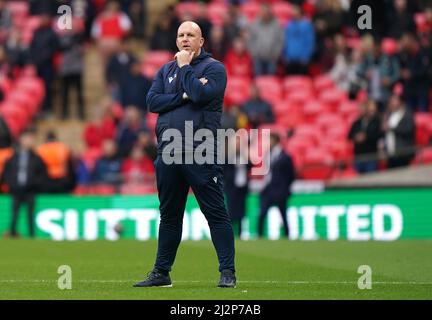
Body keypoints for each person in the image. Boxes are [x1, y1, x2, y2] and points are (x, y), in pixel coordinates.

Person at [134, 21, 236, 288]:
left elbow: (201, 94)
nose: (185, 39)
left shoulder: (214, 68)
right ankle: (161, 273)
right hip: (168, 151)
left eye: (191, 35)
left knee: (215, 213)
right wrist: (183, 95)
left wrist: (184, 68)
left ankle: (227, 272)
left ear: (201, 41)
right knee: (169, 215)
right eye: (180, 35)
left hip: (200, 150)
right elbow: (152, 102)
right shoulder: (165, 69)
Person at [2, 129, 47, 238]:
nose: (29, 141)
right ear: (21, 140)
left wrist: (35, 184)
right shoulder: (13, 157)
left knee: (30, 215)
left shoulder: (36, 158)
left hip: (30, 191)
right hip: (16, 190)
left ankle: (32, 236)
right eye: (27, 138)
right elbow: (6, 173)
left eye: (31, 139)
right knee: (14, 214)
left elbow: (42, 174)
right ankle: (12, 233)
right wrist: (11, 184)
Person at [258, 133, 295, 239]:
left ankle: (288, 236)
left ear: (275, 141)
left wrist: (285, 188)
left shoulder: (285, 157)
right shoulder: (267, 155)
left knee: (283, 215)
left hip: (280, 191)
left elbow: (291, 175)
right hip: (268, 190)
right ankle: (259, 236)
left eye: (270, 140)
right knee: (262, 213)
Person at [247, 4, 283, 76]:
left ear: (269, 13)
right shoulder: (255, 23)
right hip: (258, 57)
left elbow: (280, 40)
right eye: (262, 12)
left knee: (270, 79)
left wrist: (276, 53)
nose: (264, 14)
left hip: (272, 57)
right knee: (258, 79)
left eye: (266, 12)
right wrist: (253, 53)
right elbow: (250, 39)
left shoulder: (276, 24)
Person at [382, 93, 416, 168]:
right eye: (390, 101)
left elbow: (408, 129)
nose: (391, 103)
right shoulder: (388, 115)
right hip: (391, 154)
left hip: (403, 154)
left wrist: (391, 128)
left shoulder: (407, 114)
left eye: (393, 101)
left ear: (400, 102)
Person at [348, 100, 382, 174]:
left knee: (370, 179)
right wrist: (356, 137)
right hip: (359, 156)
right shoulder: (356, 123)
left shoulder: (376, 122)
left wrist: (366, 137)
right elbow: (349, 135)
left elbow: (378, 135)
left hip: (371, 156)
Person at [283, 5, 315, 75]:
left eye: (295, 11)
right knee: (290, 82)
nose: (293, 13)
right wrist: (285, 55)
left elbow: (310, 42)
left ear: (300, 12)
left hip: (302, 59)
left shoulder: (307, 25)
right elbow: (285, 40)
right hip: (290, 58)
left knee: (302, 81)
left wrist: (306, 56)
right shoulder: (288, 25)